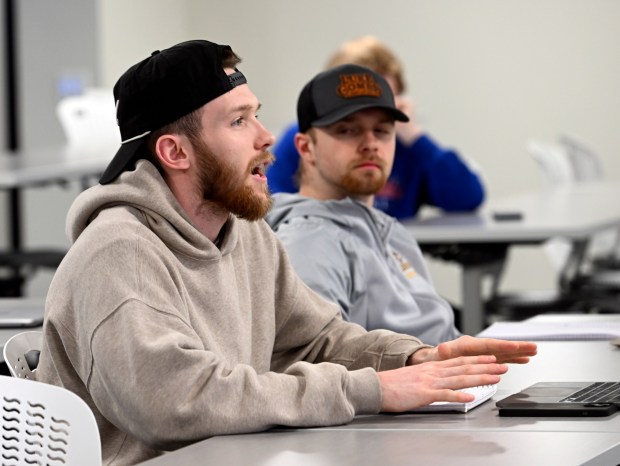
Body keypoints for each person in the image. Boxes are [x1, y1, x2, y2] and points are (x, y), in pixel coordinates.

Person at [35, 39, 536, 466]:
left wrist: (415, 359)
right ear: (175, 153)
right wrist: (373, 391)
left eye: (255, 114)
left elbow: (316, 341)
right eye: (238, 121)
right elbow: (176, 402)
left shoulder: (245, 233)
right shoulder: (120, 253)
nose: (265, 135)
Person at [267, 63, 464, 345]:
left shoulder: (390, 232)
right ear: (306, 147)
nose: (371, 143)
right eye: (348, 130)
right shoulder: (308, 243)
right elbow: (323, 366)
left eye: (382, 130)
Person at [267, 35, 485, 219]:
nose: (371, 143)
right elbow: (271, 209)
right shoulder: (305, 136)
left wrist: (417, 138)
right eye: (347, 129)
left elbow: (467, 197)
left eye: (384, 101)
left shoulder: (410, 146)